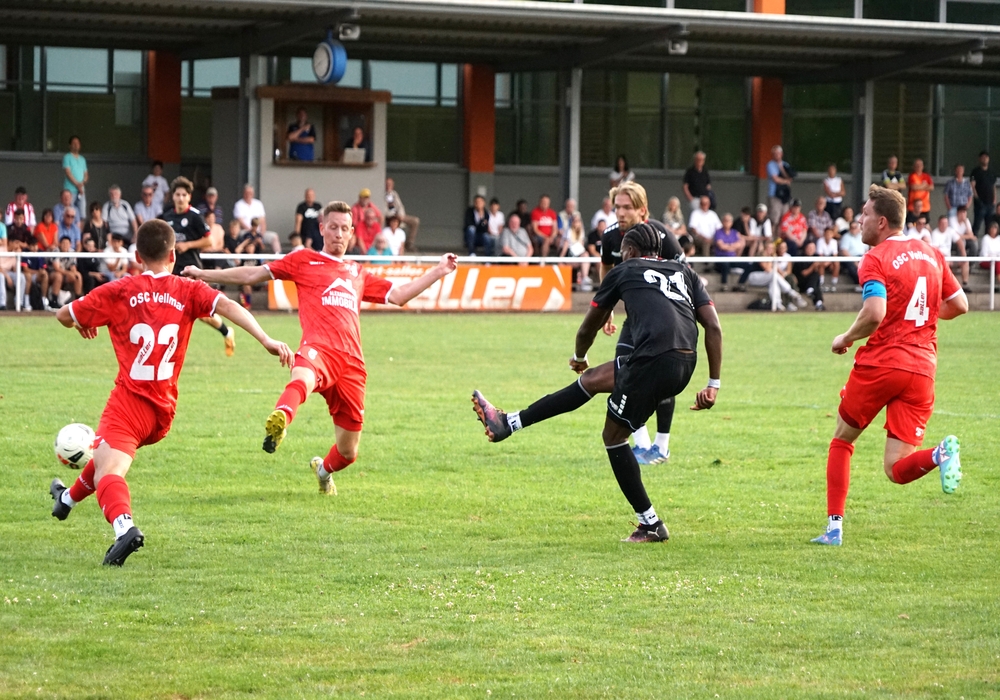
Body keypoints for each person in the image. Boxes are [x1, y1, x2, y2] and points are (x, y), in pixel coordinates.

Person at [48, 219, 291, 566]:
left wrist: (80, 323)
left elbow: (63, 315)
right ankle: (66, 501)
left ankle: (124, 529)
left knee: (107, 473)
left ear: (136, 256)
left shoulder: (119, 290)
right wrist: (266, 339)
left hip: (131, 402)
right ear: (174, 255)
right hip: (164, 409)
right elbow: (229, 307)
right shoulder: (187, 289)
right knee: (104, 453)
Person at [182, 201, 458, 495]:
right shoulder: (303, 260)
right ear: (322, 229)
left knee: (348, 452)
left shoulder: (357, 272)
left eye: (344, 228)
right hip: (318, 350)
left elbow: (400, 295)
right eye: (333, 227)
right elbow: (252, 275)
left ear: (351, 233)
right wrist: (204, 274)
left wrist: (439, 270)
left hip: (352, 365)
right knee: (301, 377)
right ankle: (281, 420)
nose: (338, 233)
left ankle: (323, 471)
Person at [471, 223, 722, 544]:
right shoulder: (685, 272)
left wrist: (579, 355)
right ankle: (509, 423)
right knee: (592, 381)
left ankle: (651, 524)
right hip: (685, 362)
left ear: (630, 251)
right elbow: (713, 326)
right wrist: (713, 383)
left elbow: (589, 326)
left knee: (613, 437)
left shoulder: (624, 269)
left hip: (652, 362)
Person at [811, 184, 968, 547]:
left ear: (881, 222)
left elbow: (874, 313)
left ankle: (834, 530)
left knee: (842, 440)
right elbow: (959, 305)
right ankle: (941, 453)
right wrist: (920, 317)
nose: (859, 220)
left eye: (865, 214)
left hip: (882, 364)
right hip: (922, 369)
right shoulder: (932, 254)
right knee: (896, 468)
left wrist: (845, 337)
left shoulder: (876, 258)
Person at [600, 181, 684, 465]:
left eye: (627, 207)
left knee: (661, 378)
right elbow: (605, 267)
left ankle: (662, 446)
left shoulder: (662, 235)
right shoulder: (611, 236)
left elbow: (685, 272)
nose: (620, 213)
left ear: (642, 210)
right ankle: (642, 444)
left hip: (665, 321)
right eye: (617, 207)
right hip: (635, 318)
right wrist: (607, 308)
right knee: (624, 372)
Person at [162, 176, 236, 356]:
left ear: (189, 197)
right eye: (177, 194)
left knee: (200, 312)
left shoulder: (195, 216)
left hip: (192, 270)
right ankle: (170, 348)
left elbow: (209, 241)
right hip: (172, 270)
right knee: (172, 308)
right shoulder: (167, 216)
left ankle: (226, 331)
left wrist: (187, 245)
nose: (180, 198)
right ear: (173, 196)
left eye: (184, 195)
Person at [559, 211, 593, 291]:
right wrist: (561, 258)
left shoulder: (581, 231)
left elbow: (581, 245)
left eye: (578, 221)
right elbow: (565, 245)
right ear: (572, 223)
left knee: (586, 255)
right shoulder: (569, 231)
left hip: (577, 255)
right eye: (575, 221)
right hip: (568, 255)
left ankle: (585, 278)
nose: (577, 223)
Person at [384, 178, 420, 252]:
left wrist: (401, 215)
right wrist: (394, 215)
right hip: (388, 216)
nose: (388, 186)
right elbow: (383, 209)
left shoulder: (394, 194)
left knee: (415, 221)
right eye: (387, 184)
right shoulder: (382, 194)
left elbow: (400, 206)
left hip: (399, 216)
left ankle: (409, 244)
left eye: (390, 184)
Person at [713, 213, 744, 291]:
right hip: (721, 258)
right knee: (725, 264)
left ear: (732, 222)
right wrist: (732, 246)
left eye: (729, 221)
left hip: (732, 258)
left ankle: (740, 283)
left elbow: (740, 244)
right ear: (722, 222)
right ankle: (724, 285)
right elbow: (721, 246)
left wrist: (728, 246)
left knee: (748, 265)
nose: (727, 222)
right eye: (725, 220)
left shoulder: (735, 232)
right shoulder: (718, 232)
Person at [970, 151, 997, 236]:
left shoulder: (991, 172)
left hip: (990, 203)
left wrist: (994, 199)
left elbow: (993, 186)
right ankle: (973, 242)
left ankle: (987, 242)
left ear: (989, 159)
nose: (985, 159)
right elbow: (972, 186)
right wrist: (977, 199)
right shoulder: (975, 172)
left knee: (989, 226)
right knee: (977, 225)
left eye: (986, 157)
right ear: (979, 159)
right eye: (983, 157)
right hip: (980, 203)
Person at [792, 240, 825, 310]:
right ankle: (817, 300)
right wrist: (813, 266)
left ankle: (817, 301)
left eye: (813, 248)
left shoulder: (816, 257)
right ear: (805, 248)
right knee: (815, 276)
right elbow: (804, 273)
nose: (811, 250)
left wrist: (820, 265)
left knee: (816, 279)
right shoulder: (800, 258)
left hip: (812, 282)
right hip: (800, 283)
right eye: (809, 248)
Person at [767, 145, 794, 227]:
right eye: (774, 154)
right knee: (774, 219)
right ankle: (772, 235)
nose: (776, 155)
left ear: (781, 154)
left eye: (778, 153)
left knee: (784, 219)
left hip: (785, 195)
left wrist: (782, 168)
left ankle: (780, 235)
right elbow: (775, 179)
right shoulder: (770, 164)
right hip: (774, 195)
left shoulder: (786, 164)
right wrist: (786, 181)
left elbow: (790, 177)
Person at [351, 188, 383, 252]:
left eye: (367, 198)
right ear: (360, 198)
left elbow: (380, 216)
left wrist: (374, 227)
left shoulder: (371, 205)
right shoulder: (355, 208)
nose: (365, 200)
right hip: (357, 231)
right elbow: (354, 224)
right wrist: (362, 229)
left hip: (368, 231)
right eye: (364, 197)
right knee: (352, 241)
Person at [62, 135, 88, 213]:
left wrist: (82, 183)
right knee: (69, 212)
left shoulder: (82, 159)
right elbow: (68, 173)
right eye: (74, 143)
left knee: (82, 213)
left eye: (78, 143)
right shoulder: (67, 157)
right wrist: (78, 185)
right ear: (70, 146)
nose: (76, 145)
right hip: (70, 190)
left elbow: (86, 174)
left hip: (81, 191)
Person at [838, 220, 867, 285]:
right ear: (849, 228)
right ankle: (858, 284)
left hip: (862, 257)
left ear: (858, 228)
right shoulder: (846, 237)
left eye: (855, 227)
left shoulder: (862, 236)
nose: (853, 229)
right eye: (852, 227)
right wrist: (855, 262)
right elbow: (844, 251)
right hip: (850, 258)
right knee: (854, 269)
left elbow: (866, 250)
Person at [816, 227, 840, 291]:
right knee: (821, 263)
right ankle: (821, 283)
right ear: (824, 234)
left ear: (832, 235)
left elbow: (835, 255)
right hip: (822, 259)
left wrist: (829, 262)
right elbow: (820, 255)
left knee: (837, 263)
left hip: (830, 260)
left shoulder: (834, 242)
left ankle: (834, 283)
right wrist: (826, 262)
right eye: (827, 233)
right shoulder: (820, 241)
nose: (828, 235)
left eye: (830, 233)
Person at [980, 221, 1000, 287]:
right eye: (992, 228)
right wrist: (994, 256)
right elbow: (984, 253)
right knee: (997, 263)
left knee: (998, 262)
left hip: (996, 260)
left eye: (995, 228)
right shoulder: (986, 238)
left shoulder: (999, 238)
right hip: (985, 260)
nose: (994, 230)